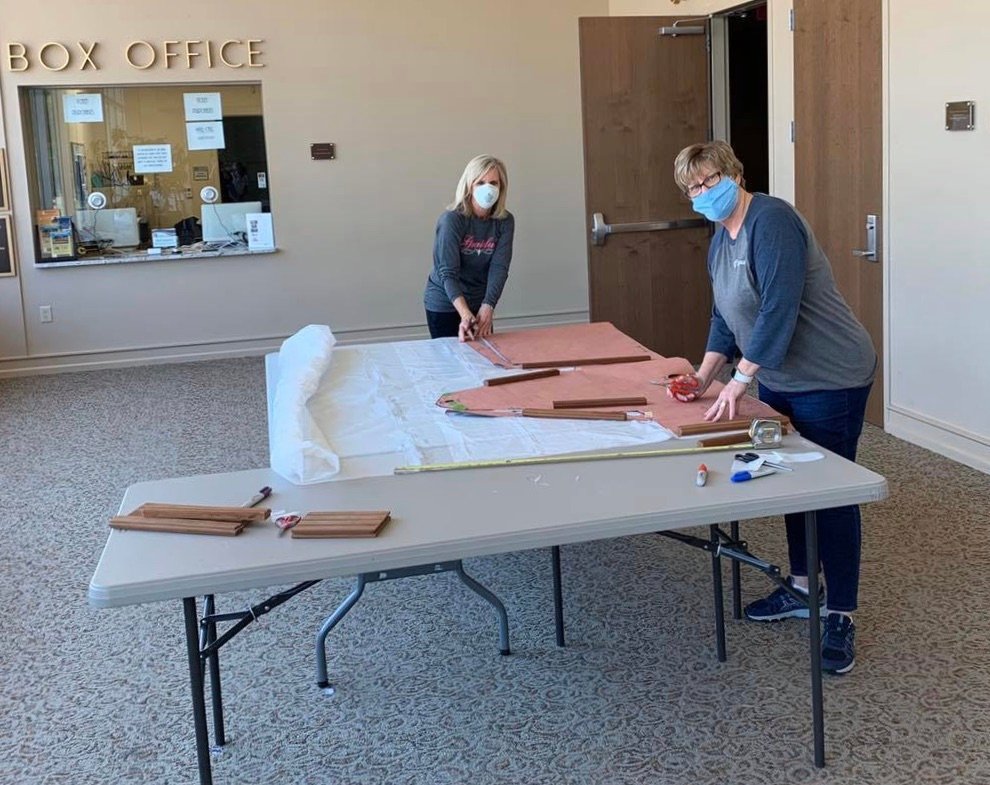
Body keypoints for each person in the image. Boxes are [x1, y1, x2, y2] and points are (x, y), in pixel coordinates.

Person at [669, 140, 877, 675]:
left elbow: (778, 311)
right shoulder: (721, 240)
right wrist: (704, 377)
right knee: (793, 480)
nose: (702, 192)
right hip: (781, 376)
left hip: (831, 375)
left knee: (831, 491)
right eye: (692, 187)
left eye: (709, 180)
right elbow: (725, 317)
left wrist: (739, 382)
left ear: (735, 175)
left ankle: (841, 614)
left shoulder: (772, 221)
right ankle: (803, 588)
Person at [424, 155, 514, 341]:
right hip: (445, 302)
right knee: (453, 356)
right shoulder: (452, 220)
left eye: (493, 183)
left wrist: (488, 306)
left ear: (501, 187)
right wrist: (465, 314)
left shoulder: (505, 221)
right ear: (469, 186)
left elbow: (499, 268)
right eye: (480, 182)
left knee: (484, 354)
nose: (487, 188)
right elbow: (447, 272)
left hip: (480, 302)